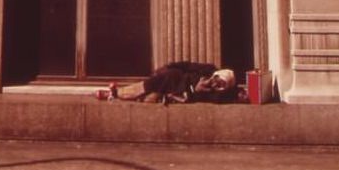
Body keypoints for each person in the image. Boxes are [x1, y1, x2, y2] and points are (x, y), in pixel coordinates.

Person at [96, 62, 237, 104]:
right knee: (154, 84)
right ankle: (115, 93)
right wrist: (168, 67)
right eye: (218, 81)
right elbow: (186, 66)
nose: (216, 85)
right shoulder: (208, 70)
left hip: (178, 93)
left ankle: (114, 94)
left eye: (220, 86)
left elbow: (198, 98)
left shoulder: (214, 95)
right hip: (174, 79)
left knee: (150, 97)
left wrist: (196, 90)